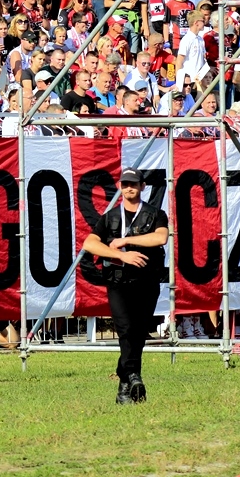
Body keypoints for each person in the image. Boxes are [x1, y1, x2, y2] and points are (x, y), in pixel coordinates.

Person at [80, 168, 168, 405]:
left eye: (134, 184)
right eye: (125, 184)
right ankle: (133, 376)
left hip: (146, 282)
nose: (129, 188)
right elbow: (89, 243)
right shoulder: (110, 217)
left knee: (138, 333)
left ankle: (125, 382)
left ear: (142, 186)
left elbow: (160, 237)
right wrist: (120, 255)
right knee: (125, 330)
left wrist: (126, 241)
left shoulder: (155, 214)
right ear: (120, 186)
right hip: (117, 282)